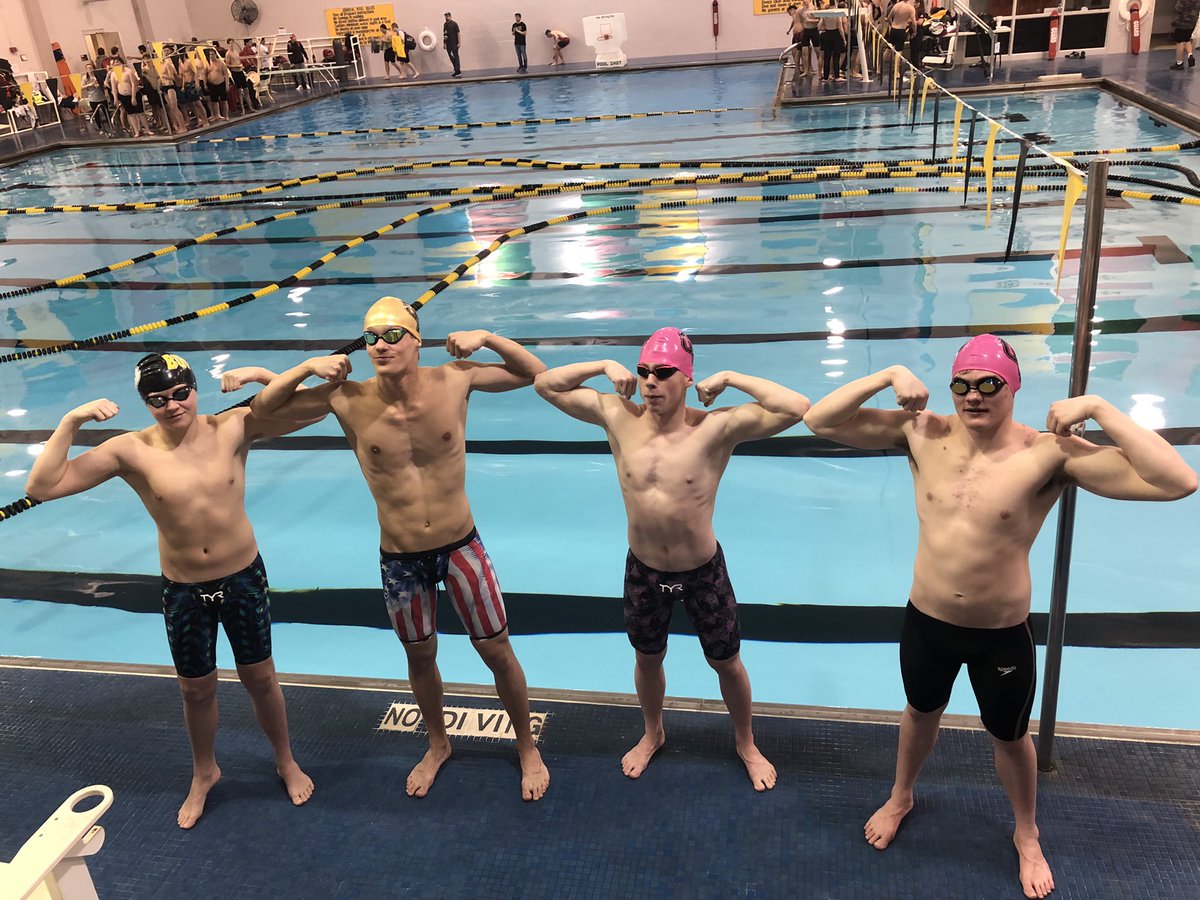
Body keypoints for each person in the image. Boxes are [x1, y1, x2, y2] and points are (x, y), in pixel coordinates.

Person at [802, 335, 1197, 900]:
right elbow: (821, 420)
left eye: (989, 385)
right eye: (961, 384)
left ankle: (1027, 833)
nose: (973, 397)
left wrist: (1100, 408)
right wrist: (886, 372)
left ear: (1012, 388)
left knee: (1010, 738)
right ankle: (901, 795)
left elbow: (1178, 481)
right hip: (927, 620)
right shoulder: (921, 432)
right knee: (919, 711)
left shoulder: (1050, 454)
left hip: (1000, 636)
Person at [251, 297, 550, 802]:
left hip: (461, 545)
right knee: (421, 656)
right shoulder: (346, 397)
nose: (381, 346)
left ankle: (526, 745)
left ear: (417, 339)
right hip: (401, 559)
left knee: (497, 649)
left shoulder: (455, 378)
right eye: (371, 337)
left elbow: (535, 375)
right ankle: (438, 744)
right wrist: (305, 366)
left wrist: (489, 338)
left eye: (392, 335)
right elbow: (262, 410)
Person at [25, 354, 319, 829]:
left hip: (243, 577)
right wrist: (71, 420)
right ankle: (205, 772)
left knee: (261, 678)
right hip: (183, 589)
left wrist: (264, 376)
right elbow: (42, 486)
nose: (173, 405)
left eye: (181, 393)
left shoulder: (234, 427)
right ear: (146, 403)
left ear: (194, 389)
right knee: (195, 690)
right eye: (158, 399)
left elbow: (314, 410)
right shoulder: (130, 451)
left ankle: (285, 760)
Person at [533, 328, 810, 791]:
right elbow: (546, 385)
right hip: (643, 570)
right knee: (647, 658)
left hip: (703, 572)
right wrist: (602, 366)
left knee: (727, 663)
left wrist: (732, 377)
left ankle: (745, 741)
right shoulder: (617, 416)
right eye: (644, 372)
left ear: (686, 379)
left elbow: (795, 407)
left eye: (663, 373)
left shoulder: (714, 428)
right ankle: (653, 732)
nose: (650, 383)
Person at [1168, 0, 1199, 70]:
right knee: (1187, 39)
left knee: (1180, 41)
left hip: (1182, 22)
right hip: (1192, 22)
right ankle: (1190, 55)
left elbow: (1178, 8)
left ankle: (1179, 63)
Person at [443, 12, 462, 77]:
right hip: (448, 44)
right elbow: (445, 35)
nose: (446, 17)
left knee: (456, 56)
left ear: (450, 16)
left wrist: (459, 43)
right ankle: (456, 69)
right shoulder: (445, 25)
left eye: (448, 16)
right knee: (451, 57)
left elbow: (458, 33)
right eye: (445, 16)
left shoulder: (454, 24)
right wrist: (444, 43)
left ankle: (458, 71)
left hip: (454, 43)